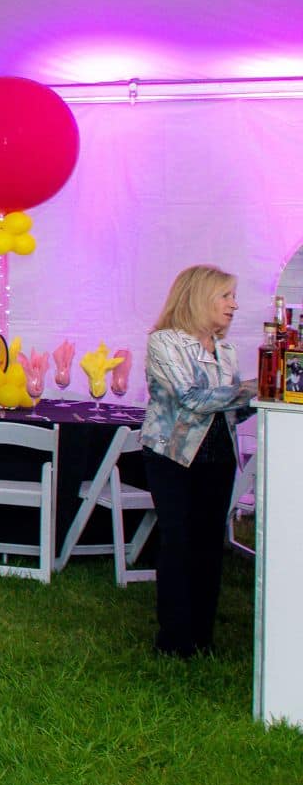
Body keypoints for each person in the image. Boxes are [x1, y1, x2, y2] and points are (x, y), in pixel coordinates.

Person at [141, 265, 256, 658]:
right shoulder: (165, 342)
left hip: (219, 455)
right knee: (179, 541)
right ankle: (173, 640)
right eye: (226, 296)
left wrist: (265, 400)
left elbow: (229, 410)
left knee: (209, 544)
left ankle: (202, 637)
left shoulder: (226, 349)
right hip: (173, 456)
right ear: (199, 297)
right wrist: (254, 388)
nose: (233, 305)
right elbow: (191, 398)